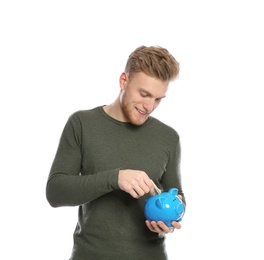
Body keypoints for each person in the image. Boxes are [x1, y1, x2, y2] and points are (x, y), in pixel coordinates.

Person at [46, 45, 186, 260]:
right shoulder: (82, 124)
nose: (149, 106)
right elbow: (55, 193)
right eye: (144, 94)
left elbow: (176, 194)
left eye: (158, 99)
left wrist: (172, 218)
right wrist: (115, 178)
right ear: (123, 81)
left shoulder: (168, 137)